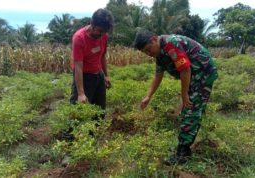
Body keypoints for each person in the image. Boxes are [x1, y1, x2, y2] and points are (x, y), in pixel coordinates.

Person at [133, 30, 218, 165]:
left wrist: (184, 95)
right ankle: (185, 147)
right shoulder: (159, 53)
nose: (149, 54)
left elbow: (185, 69)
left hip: (203, 73)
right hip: (194, 76)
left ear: (154, 39)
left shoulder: (170, 44)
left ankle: (182, 153)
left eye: (149, 50)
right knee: (190, 109)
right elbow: (158, 76)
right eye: (146, 53)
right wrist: (148, 96)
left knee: (190, 110)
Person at [70, 8, 114, 114]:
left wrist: (106, 75)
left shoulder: (103, 37)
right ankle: (71, 131)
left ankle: (95, 131)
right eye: (100, 31)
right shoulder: (79, 38)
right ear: (92, 23)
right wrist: (81, 93)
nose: (102, 34)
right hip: (84, 77)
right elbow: (78, 66)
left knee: (99, 111)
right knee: (78, 112)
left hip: (99, 75)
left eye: (104, 32)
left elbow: (102, 56)